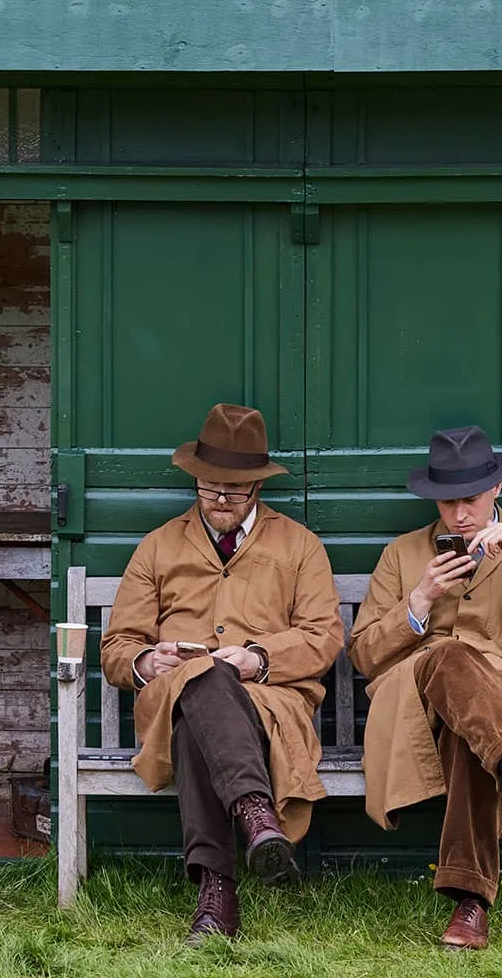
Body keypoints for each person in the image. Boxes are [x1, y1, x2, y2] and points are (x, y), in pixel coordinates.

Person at [100, 403, 343, 943]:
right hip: (172, 697)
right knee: (199, 681)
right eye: (211, 487)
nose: (222, 499)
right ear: (195, 479)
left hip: (266, 703)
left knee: (199, 711)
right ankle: (256, 815)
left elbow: (323, 636)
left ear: (258, 485)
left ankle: (217, 896)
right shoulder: (158, 546)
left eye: (235, 489)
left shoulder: (299, 545)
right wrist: (148, 662)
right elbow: (117, 647)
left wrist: (259, 658)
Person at [350, 425, 502, 951]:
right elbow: (363, 653)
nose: (459, 515)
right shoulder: (403, 554)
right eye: (447, 502)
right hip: (414, 704)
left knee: (472, 733)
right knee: (451, 655)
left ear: (496, 488)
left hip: (497, 702)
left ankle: (470, 904)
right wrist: (420, 599)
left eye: (470, 500)